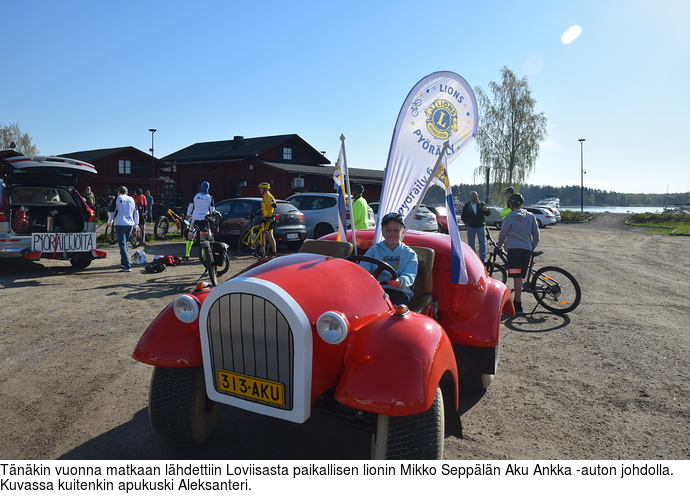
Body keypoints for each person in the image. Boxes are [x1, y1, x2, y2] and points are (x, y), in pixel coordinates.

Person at [361, 212, 418, 307]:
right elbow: (363, 269)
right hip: (376, 289)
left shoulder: (409, 254)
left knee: (389, 306)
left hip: (398, 291)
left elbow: (410, 275)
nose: (392, 233)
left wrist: (399, 281)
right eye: (388, 230)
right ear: (382, 232)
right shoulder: (374, 250)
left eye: (396, 230)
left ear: (402, 232)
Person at [496, 193, 540, 314]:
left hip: (514, 250)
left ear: (510, 205)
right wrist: (531, 247)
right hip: (526, 250)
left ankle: (518, 305)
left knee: (516, 276)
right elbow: (536, 235)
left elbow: (503, 234)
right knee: (520, 276)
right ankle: (517, 300)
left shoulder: (509, 217)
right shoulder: (531, 216)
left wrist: (498, 246)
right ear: (522, 204)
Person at [108, 186, 139, 272]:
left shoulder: (118, 199)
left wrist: (110, 221)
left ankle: (127, 265)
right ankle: (123, 262)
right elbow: (136, 213)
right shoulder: (132, 199)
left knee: (122, 245)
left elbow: (112, 211)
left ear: (118, 192)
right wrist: (136, 225)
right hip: (130, 223)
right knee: (125, 244)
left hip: (120, 222)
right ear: (127, 192)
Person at [184, 181, 215, 260]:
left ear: (201, 187)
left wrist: (187, 215)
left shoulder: (196, 196)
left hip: (195, 217)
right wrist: (213, 217)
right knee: (203, 238)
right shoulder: (210, 197)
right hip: (205, 219)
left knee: (190, 235)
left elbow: (190, 206)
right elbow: (212, 210)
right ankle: (203, 256)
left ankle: (187, 255)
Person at [461, 191, 491, 261]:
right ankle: (473, 258)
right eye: (473, 196)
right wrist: (466, 223)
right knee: (471, 243)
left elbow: (487, 214)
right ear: (470, 197)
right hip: (471, 226)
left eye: (476, 196)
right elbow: (463, 216)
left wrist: (487, 210)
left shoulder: (481, 204)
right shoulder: (467, 205)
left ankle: (482, 258)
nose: (475, 197)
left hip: (480, 226)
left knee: (482, 242)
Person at [258, 181, 277, 255]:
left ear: (265, 189)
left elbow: (275, 207)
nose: (259, 190)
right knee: (265, 234)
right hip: (265, 218)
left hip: (269, 218)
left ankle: (272, 251)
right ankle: (262, 251)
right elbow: (262, 208)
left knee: (268, 234)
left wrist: (272, 216)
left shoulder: (269, 197)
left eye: (261, 189)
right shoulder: (264, 198)